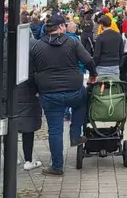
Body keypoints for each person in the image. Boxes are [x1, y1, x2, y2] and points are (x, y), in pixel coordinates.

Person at [30, 14, 97, 176]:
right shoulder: (72, 42)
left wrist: (37, 89)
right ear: (60, 27)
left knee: (55, 129)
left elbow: (32, 71)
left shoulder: (37, 46)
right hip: (74, 89)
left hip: (49, 93)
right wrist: (93, 75)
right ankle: (75, 135)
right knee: (82, 102)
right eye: (64, 25)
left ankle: (57, 166)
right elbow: (88, 60)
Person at [17, 37, 43, 171]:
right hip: (29, 91)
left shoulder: (5, 44)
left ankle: (12, 156)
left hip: (9, 91)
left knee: (11, 124)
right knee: (28, 126)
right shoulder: (35, 46)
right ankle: (28, 160)